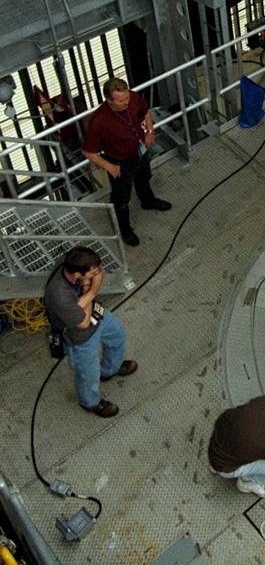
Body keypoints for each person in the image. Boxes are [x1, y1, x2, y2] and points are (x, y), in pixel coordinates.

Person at [43, 246, 137, 418]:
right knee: (88, 374)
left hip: (95, 313)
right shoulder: (59, 296)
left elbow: (100, 275)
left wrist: (87, 296)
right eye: (91, 272)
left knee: (117, 337)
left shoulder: (74, 265)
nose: (97, 273)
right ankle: (90, 402)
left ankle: (110, 369)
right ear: (78, 275)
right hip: (79, 337)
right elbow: (84, 323)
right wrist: (89, 291)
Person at [82, 77, 171, 247]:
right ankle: (125, 230)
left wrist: (150, 131)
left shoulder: (133, 97)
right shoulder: (98, 121)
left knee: (144, 178)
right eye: (121, 100)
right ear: (109, 100)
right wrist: (110, 166)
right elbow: (88, 151)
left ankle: (148, 201)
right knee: (121, 198)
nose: (126, 102)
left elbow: (145, 112)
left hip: (140, 150)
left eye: (127, 98)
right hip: (119, 162)